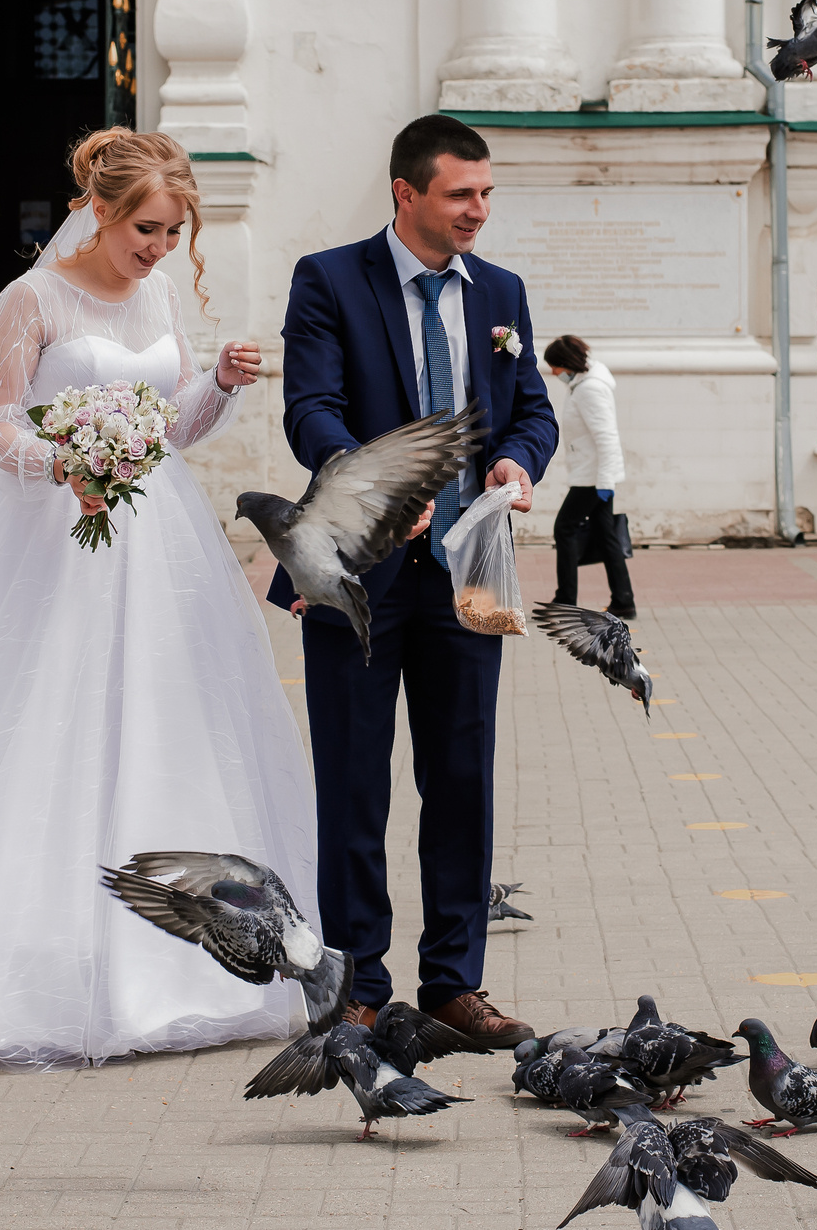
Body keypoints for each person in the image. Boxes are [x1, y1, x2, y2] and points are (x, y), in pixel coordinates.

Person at [0, 127, 309, 1072]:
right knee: (56, 726)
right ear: (103, 211)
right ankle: (43, 962)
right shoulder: (30, 297)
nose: (161, 250)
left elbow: (171, 429)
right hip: (62, 541)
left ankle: (179, 968)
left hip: (158, 543)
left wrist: (222, 384)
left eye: (174, 233)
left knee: (164, 724)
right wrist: (66, 460)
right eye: (148, 230)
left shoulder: (159, 294)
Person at [268, 114, 558, 1047]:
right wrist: (372, 486)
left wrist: (518, 463)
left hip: (471, 572)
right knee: (354, 783)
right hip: (356, 574)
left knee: (462, 779)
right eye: (460, 194)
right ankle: (355, 986)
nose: (478, 210)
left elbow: (533, 414)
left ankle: (454, 983)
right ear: (406, 194)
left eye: (485, 194)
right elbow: (309, 407)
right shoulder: (329, 279)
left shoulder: (503, 291)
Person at [544, 335, 637, 619]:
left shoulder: (589, 389)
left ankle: (566, 599)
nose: (553, 373)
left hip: (593, 478)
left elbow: (607, 437)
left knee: (565, 528)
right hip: (594, 475)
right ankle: (623, 600)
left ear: (565, 363)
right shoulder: (583, 385)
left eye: (554, 366)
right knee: (605, 534)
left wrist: (605, 485)